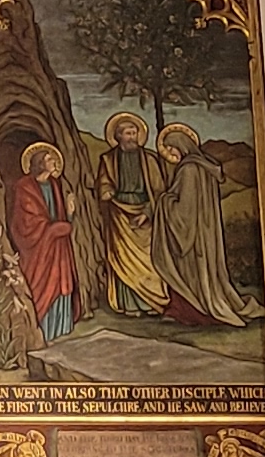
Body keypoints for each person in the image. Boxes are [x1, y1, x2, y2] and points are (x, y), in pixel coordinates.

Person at [153, 124, 255, 326]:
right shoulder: (204, 166)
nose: (171, 154)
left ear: (181, 145)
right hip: (204, 231)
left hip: (191, 236)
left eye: (172, 148)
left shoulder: (188, 169)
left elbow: (185, 209)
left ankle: (191, 312)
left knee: (189, 272)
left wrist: (164, 201)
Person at [95, 112, 170, 317]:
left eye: (134, 133)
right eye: (127, 133)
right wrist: (106, 191)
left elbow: (159, 191)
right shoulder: (108, 159)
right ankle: (129, 305)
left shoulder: (149, 159)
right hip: (119, 213)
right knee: (123, 258)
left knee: (148, 259)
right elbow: (103, 182)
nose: (132, 137)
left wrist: (147, 212)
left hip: (144, 212)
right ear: (118, 136)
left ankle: (152, 302)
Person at [5, 139, 77, 345]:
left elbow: (59, 217)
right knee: (42, 284)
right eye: (49, 159)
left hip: (58, 248)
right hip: (39, 250)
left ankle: (61, 331)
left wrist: (68, 215)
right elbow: (27, 223)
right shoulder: (25, 188)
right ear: (39, 163)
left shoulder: (54, 185)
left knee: (61, 282)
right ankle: (44, 332)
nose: (54, 162)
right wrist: (58, 228)